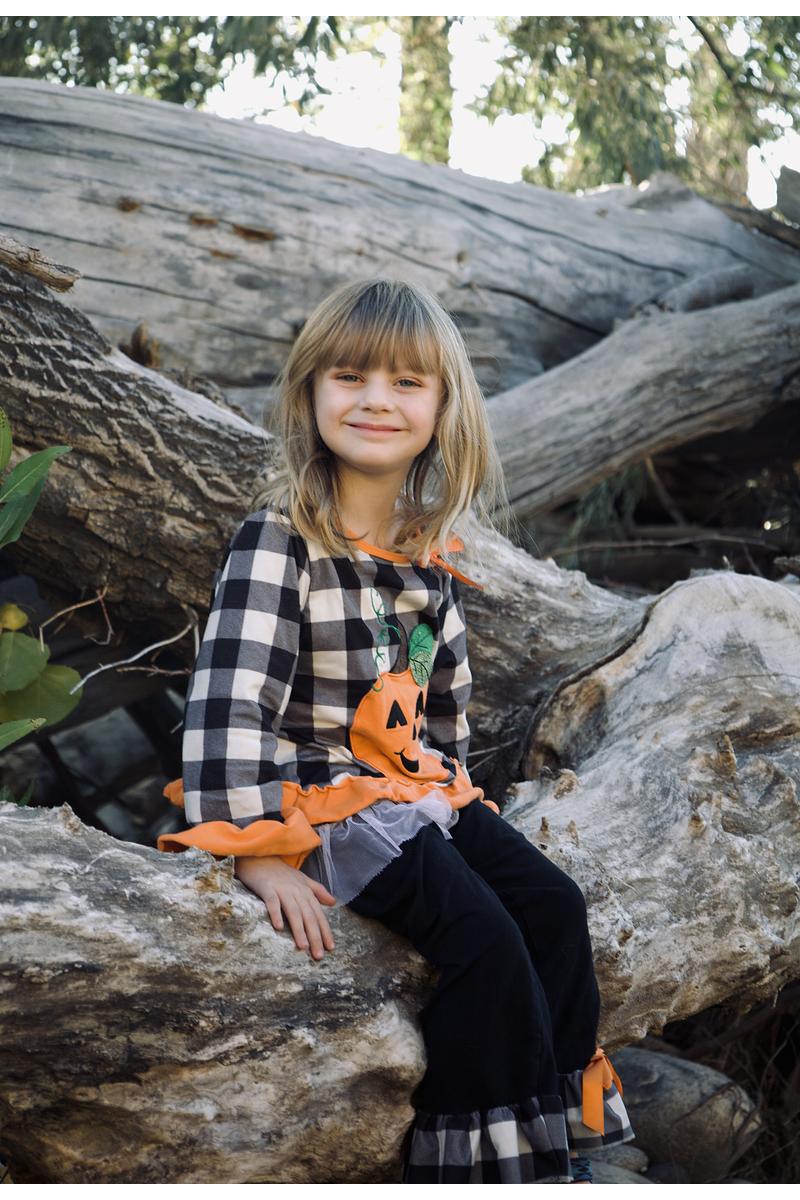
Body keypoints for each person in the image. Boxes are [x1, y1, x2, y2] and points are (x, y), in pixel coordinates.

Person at [157, 277, 634, 1183]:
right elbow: (228, 704)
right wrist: (259, 856)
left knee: (552, 906)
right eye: (350, 377)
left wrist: (459, 808)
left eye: (407, 383)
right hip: (319, 801)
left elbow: (439, 708)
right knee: (484, 941)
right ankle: (478, 1160)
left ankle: (562, 1128)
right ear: (310, 394)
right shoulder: (280, 542)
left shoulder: (427, 558)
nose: (376, 399)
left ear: (443, 408)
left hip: (409, 792)